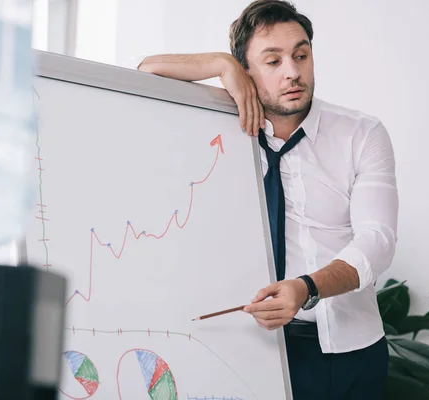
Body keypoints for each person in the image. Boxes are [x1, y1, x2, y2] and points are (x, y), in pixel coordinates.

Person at [136, 0, 399, 398]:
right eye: (272, 61)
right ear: (247, 72)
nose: (293, 72)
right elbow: (145, 72)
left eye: (301, 55)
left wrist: (305, 288)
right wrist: (221, 65)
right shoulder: (217, 127)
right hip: (246, 345)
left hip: (348, 350)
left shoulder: (362, 134)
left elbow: (377, 241)